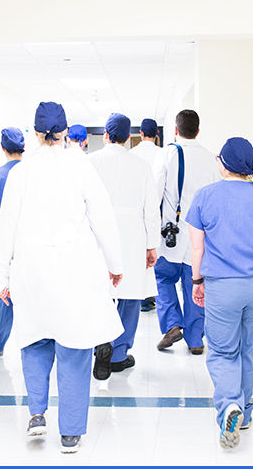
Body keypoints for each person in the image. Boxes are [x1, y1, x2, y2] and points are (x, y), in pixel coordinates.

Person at [0, 102, 125, 454]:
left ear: (35, 134)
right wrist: (115, 264)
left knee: (35, 341)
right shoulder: (80, 166)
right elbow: (103, 218)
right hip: (74, 271)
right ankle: (70, 433)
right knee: (74, 348)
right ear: (65, 132)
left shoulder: (21, 172)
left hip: (32, 272)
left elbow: (5, 228)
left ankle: (37, 414)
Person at [186, 137, 253, 450]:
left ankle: (229, 406)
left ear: (224, 164)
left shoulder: (205, 197)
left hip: (223, 289)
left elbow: (197, 248)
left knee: (222, 352)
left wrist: (196, 281)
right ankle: (243, 412)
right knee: (246, 350)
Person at [89, 113, 160, 376]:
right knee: (130, 296)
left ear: (106, 136)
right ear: (129, 137)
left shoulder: (91, 162)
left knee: (100, 292)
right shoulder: (141, 166)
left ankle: (100, 343)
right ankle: (118, 354)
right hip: (133, 236)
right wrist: (151, 245)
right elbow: (151, 210)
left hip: (98, 235)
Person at [153, 109, 219, 354]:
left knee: (162, 278)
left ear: (175, 130)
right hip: (200, 238)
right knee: (196, 285)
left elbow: (155, 194)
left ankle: (172, 324)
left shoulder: (167, 154)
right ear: (198, 131)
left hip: (171, 235)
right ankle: (195, 340)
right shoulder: (212, 159)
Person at [0, 127, 24, 357]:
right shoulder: (32, 174)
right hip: (27, 243)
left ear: (2, 148)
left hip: (0, 245)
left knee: (3, 293)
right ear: (24, 147)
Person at [131, 117, 161, 312]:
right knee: (155, 253)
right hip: (156, 210)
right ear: (157, 134)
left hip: (135, 211)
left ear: (141, 133)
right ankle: (152, 296)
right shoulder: (163, 154)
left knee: (137, 255)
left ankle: (141, 298)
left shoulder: (132, 155)